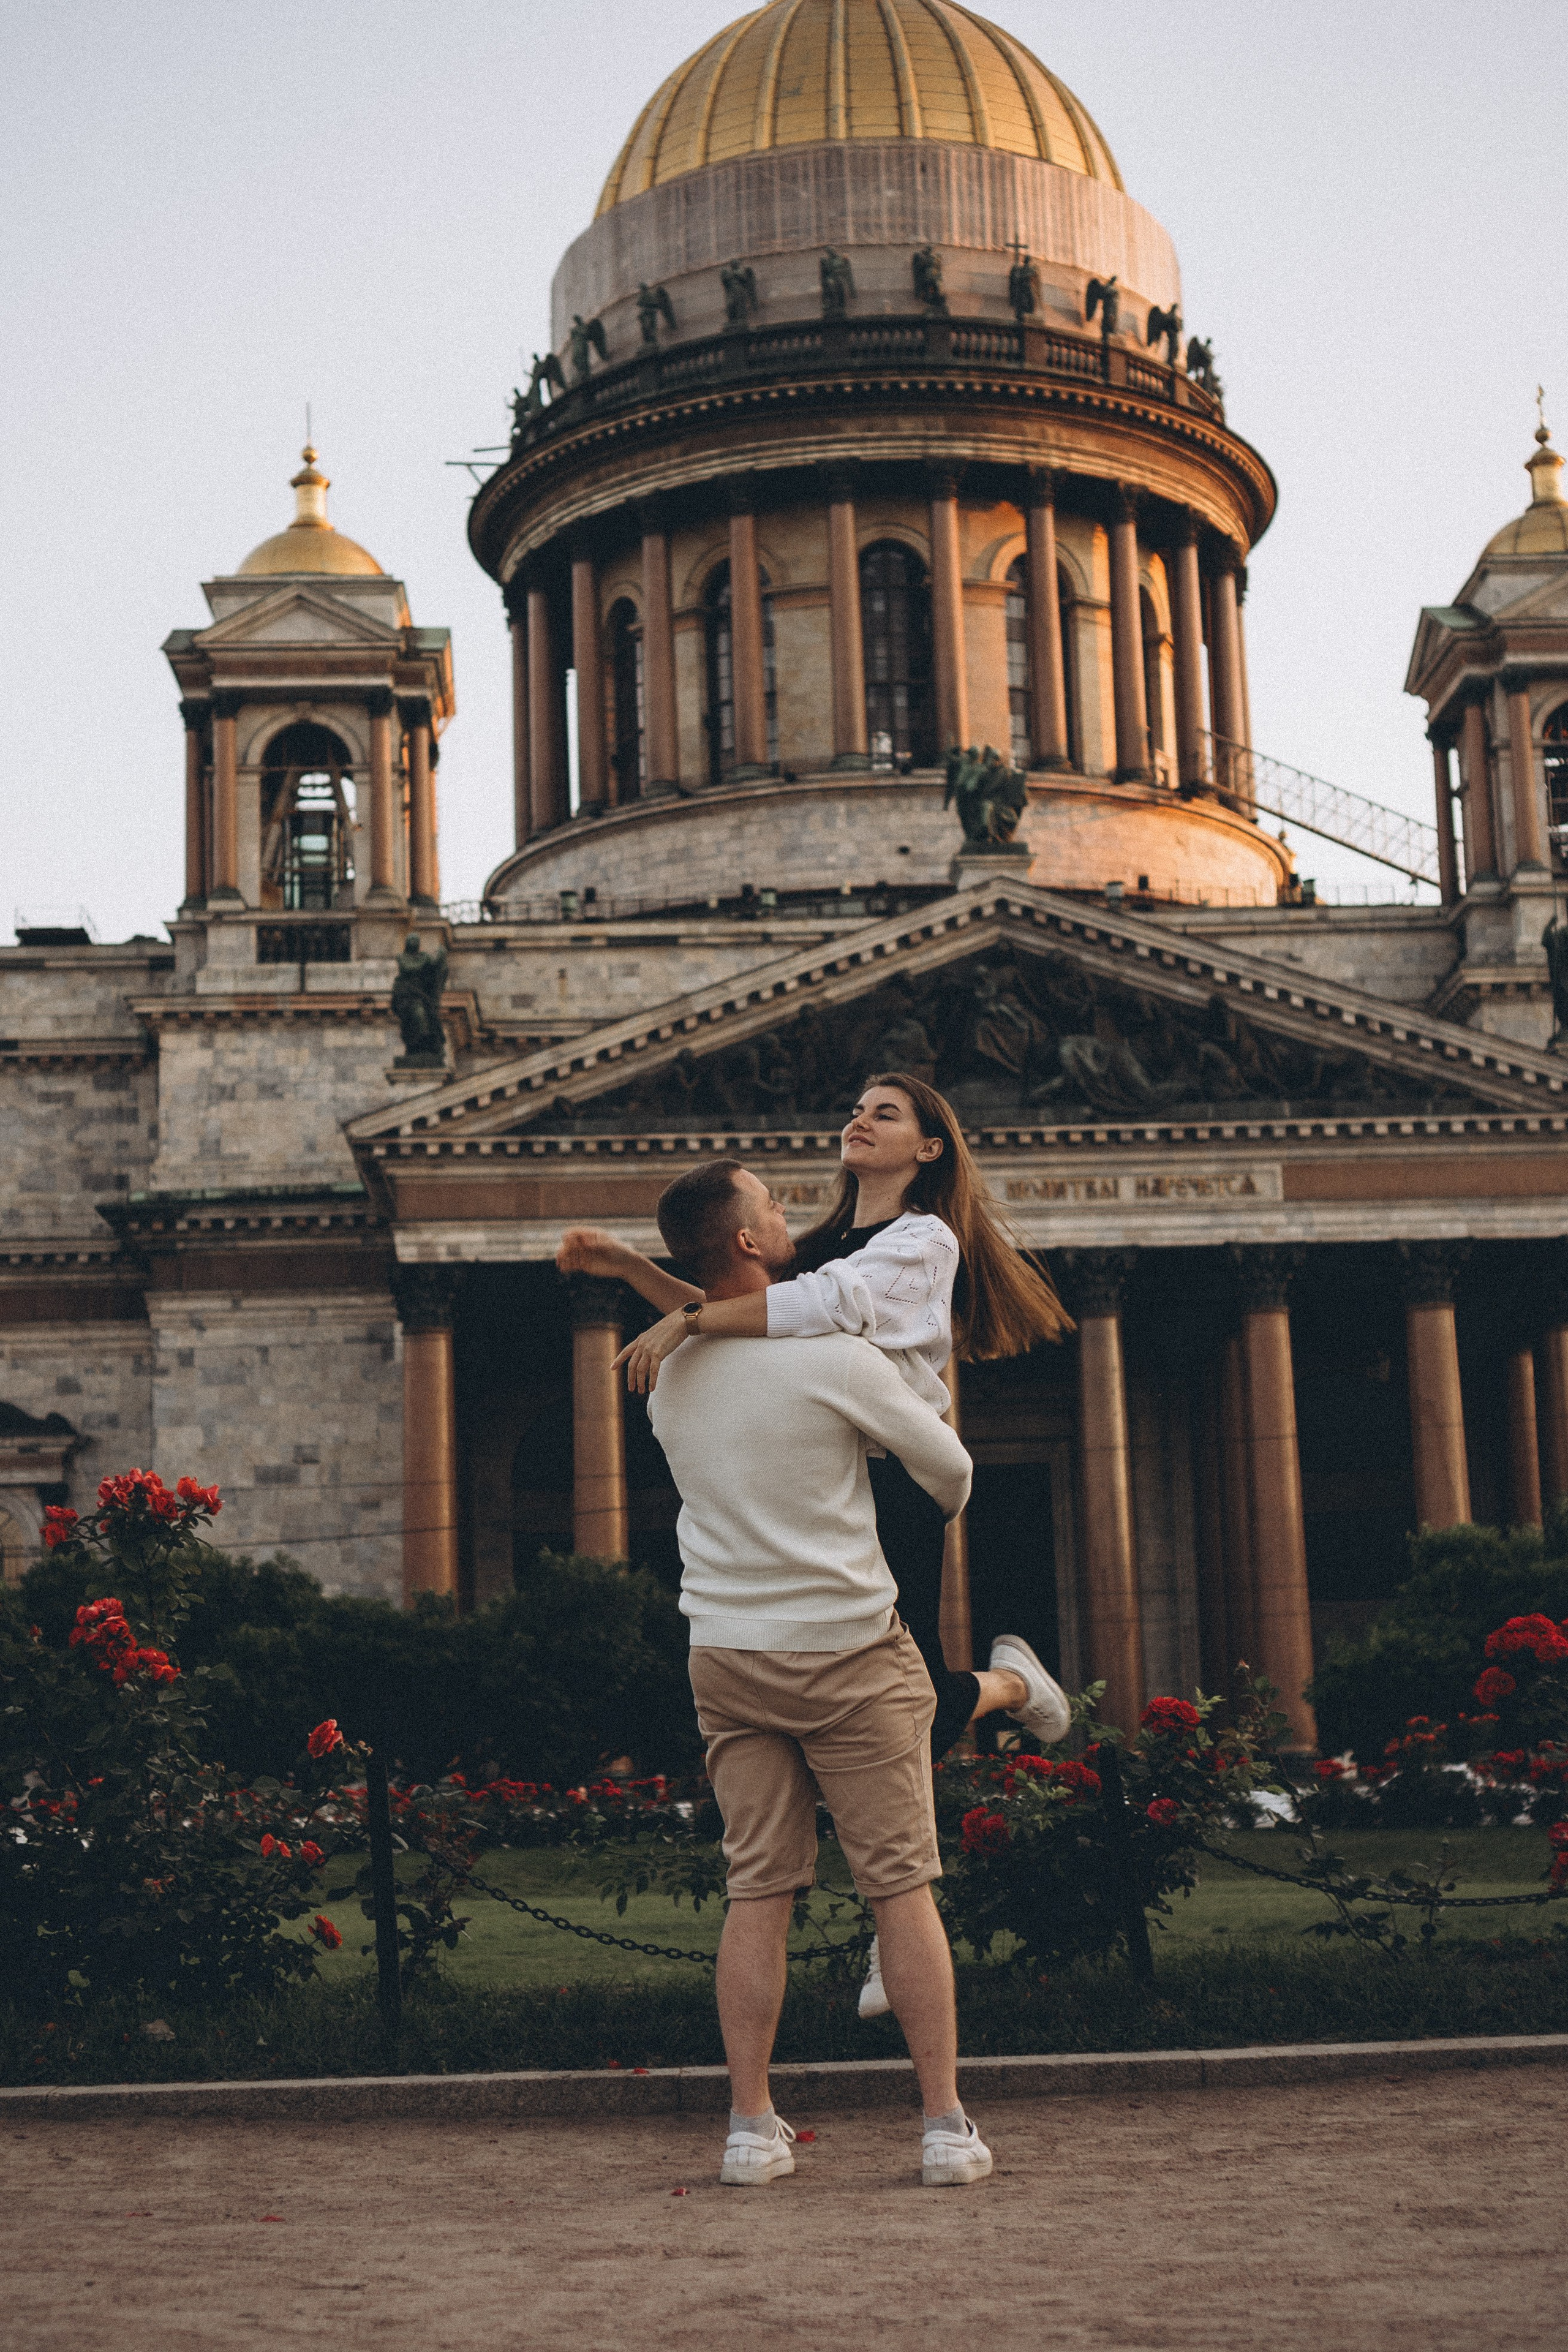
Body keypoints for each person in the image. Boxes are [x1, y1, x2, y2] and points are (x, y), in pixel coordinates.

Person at [644, 1156, 992, 2188]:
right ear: (748, 1243)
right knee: (901, 1890)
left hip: (728, 1650)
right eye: (771, 1205)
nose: (790, 1211)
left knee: (757, 1893)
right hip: (847, 1647)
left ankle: (752, 2130)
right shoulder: (835, 1360)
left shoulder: (670, 1374)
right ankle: (942, 2128)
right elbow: (953, 1470)